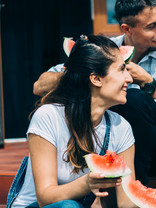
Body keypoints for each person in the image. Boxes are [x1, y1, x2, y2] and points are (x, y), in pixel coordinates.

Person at [33, 0, 156, 185]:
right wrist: (89, 72)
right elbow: (40, 86)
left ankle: (137, 188)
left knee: (136, 99)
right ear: (126, 29)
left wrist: (149, 83)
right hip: (112, 144)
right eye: (152, 26)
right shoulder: (107, 50)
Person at [10, 35, 136, 208]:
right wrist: (87, 184)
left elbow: (126, 202)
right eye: (122, 70)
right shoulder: (48, 116)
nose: (129, 78)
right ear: (96, 79)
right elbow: (45, 197)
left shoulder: (121, 127)